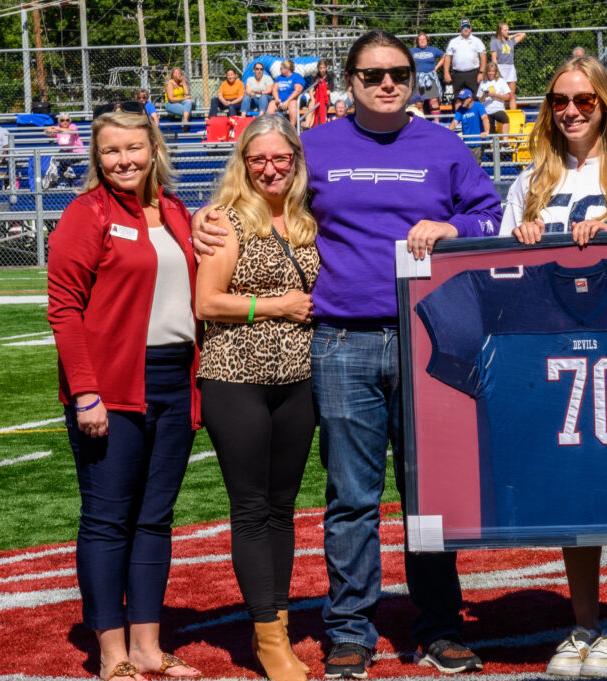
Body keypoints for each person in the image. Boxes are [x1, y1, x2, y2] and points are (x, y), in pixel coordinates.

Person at [191, 30, 502, 680]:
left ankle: (440, 626)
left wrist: (453, 227)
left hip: (427, 335)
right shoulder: (317, 146)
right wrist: (205, 216)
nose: (386, 83)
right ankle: (350, 631)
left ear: (413, 80)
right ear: (349, 81)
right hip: (341, 340)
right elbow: (262, 191)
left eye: (397, 73)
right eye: (372, 74)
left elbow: (489, 215)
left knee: (427, 492)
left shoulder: (443, 146)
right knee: (352, 495)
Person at [500, 56, 607, 677]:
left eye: (584, 100)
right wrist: (520, 237)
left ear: (605, 104)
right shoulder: (529, 183)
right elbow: (505, 280)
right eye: (559, 100)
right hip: (553, 356)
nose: (570, 110)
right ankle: (580, 623)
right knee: (570, 494)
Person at [46, 109, 202, 681]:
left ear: (154, 148)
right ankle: (111, 654)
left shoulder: (179, 212)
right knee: (108, 520)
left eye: (134, 148)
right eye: (112, 151)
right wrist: (85, 394)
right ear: (97, 156)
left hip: (173, 379)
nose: (124, 160)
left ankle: (148, 648)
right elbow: (63, 310)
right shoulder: (85, 215)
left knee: (155, 520)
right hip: (112, 388)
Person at [195, 114, 318, 681]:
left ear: (294, 159)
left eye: (280, 158)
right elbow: (207, 303)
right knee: (250, 508)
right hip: (235, 375)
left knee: (283, 510)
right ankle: (268, 639)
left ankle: (280, 628)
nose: (270, 169)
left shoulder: (307, 216)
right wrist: (276, 306)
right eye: (258, 159)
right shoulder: (224, 219)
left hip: (298, 379)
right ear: (243, 163)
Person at [443, 19, 486, 109]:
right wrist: (446, 73)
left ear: (471, 28)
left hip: (473, 73)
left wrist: (481, 73)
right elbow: (447, 57)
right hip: (457, 74)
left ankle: (473, 118)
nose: (466, 29)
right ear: (460, 29)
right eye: (464, 27)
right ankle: (458, 120)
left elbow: (483, 56)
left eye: (468, 27)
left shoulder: (477, 41)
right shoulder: (453, 41)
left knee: (474, 97)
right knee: (457, 97)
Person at [489, 22, 526, 109]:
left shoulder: (510, 41)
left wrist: (513, 35)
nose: (507, 31)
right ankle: (501, 114)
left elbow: (523, 34)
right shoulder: (494, 41)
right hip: (500, 67)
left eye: (508, 29)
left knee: (511, 94)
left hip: (510, 67)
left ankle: (513, 116)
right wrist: (496, 71)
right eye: (505, 30)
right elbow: (494, 58)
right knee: (501, 93)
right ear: (500, 31)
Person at [43, 112, 85, 188]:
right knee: (62, 163)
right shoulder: (58, 128)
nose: (65, 122)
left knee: (61, 154)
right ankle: (65, 183)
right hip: (66, 154)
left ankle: (68, 170)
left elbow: (71, 131)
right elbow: (46, 133)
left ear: (70, 121)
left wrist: (57, 129)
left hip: (77, 153)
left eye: (67, 120)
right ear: (59, 121)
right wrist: (48, 129)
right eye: (62, 120)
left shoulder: (73, 126)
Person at [449, 88, 489, 163]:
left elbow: (485, 118)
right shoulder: (460, 109)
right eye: (460, 99)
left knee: (475, 166)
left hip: (478, 142)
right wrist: (447, 132)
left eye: (463, 99)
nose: (461, 101)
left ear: (470, 99)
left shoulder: (478, 106)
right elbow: (454, 122)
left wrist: (486, 132)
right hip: (466, 143)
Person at [411, 33, 447, 115]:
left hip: (431, 78)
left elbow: (444, 56)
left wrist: (436, 67)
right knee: (418, 102)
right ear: (417, 41)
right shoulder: (412, 51)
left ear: (427, 40)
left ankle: (437, 124)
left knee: (434, 100)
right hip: (418, 79)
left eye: (424, 39)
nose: (422, 41)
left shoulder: (433, 50)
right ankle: (421, 123)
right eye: (420, 39)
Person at [267, 59, 306, 127]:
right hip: (281, 101)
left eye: (281, 68)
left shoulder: (296, 76)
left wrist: (287, 101)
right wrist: (277, 99)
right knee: (272, 103)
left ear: (287, 69)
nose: (280, 70)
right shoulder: (279, 78)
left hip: (294, 100)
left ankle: (292, 127)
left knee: (292, 103)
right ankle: (270, 127)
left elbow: (298, 91)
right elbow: (274, 90)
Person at [476, 62, 511, 129]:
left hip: (498, 109)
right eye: (489, 71)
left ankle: (505, 139)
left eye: (492, 71)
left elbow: (508, 96)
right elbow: (479, 100)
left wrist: (494, 95)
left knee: (505, 118)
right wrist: (484, 96)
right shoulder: (483, 82)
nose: (491, 73)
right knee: (489, 127)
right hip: (486, 110)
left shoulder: (501, 81)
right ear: (487, 72)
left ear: (495, 72)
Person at [304, 60, 333, 129]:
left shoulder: (330, 78)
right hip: (315, 98)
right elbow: (311, 90)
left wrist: (318, 92)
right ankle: (307, 126)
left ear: (326, 68)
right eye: (321, 68)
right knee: (312, 105)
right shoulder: (315, 77)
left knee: (315, 107)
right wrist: (313, 98)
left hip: (324, 99)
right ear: (318, 68)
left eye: (324, 68)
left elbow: (329, 91)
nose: (322, 70)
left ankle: (309, 128)